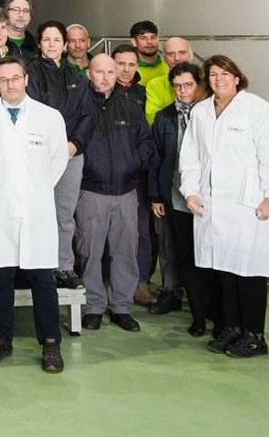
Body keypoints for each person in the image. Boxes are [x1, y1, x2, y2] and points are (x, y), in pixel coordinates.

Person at [0, 58, 69, 374]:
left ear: (26, 79)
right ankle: (1, 339)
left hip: (36, 209)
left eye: (15, 78)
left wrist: (32, 190)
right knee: (0, 278)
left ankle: (50, 343)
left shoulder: (49, 117)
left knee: (43, 279)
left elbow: (57, 162)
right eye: (3, 80)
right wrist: (4, 190)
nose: (10, 84)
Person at [179, 55, 269, 358]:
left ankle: (255, 335)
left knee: (249, 272)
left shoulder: (258, 110)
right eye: (212, 74)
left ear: (237, 78)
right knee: (222, 270)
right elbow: (190, 157)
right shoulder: (200, 112)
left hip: (248, 204)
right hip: (212, 205)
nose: (219, 79)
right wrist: (190, 192)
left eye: (225, 74)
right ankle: (231, 328)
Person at [75, 53, 154, 332]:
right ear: (89, 73)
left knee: (124, 252)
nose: (106, 77)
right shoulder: (79, 107)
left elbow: (145, 141)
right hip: (91, 191)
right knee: (90, 251)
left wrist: (134, 165)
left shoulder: (131, 106)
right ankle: (93, 306)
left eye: (111, 71)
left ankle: (121, 306)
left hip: (125, 192)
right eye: (100, 72)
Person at [24, 20, 95, 287]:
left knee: (64, 215)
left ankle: (63, 266)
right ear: (39, 44)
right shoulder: (29, 73)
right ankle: (35, 266)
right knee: (34, 212)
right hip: (36, 154)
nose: (52, 44)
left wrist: (74, 144)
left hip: (70, 155)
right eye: (47, 39)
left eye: (57, 40)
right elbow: (32, 112)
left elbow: (87, 115)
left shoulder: (77, 76)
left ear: (65, 45)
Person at [150, 62, 213, 336]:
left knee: (211, 258)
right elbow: (156, 158)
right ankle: (198, 316)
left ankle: (217, 312)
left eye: (188, 85)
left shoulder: (212, 114)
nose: (183, 91)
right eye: (177, 86)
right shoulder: (164, 118)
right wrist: (156, 194)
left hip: (210, 199)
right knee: (185, 258)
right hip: (176, 198)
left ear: (198, 84)